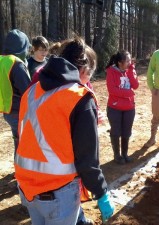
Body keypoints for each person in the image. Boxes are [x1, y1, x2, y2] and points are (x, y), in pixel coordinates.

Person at [15, 37, 114, 225]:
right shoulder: (79, 98)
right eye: (89, 77)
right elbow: (87, 160)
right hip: (57, 193)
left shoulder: (32, 91)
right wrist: (101, 193)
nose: (87, 83)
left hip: (27, 187)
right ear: (84, 70)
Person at [0, 29, 31, 154]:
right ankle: (22, 170)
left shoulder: (2, 60)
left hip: (7, 110)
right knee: (25, 142)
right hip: (19, 110)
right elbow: (27, 90)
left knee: (18, 139)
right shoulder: (17, 64)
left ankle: (18, 168)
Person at [106, 51, 139, 164]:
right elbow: (112, 90)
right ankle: (117, 155)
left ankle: (124, 154)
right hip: (115, 108)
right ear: (120, 62)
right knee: (115, 131)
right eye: (128, 61)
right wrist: (128, 93)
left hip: (129, 108)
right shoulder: (111, 72)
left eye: (131, 60)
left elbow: (135, 85)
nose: (130, 63)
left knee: (126, 132)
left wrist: (130, 71)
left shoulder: (130, 70)